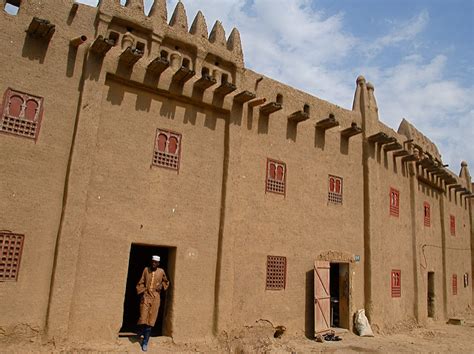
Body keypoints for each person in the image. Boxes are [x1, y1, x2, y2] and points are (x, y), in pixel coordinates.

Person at [136, 255, 170, 352]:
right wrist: (142, 292)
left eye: (156, 262)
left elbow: (166, 282)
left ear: (158, 264)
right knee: (143, 317)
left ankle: (145, 341)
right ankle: (141, 331)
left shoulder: (161, 271)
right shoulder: (146, 270)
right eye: (152, 262)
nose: (154, 264)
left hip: (156, 298)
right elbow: (141, 282)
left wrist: (162, 286)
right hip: (146, 296)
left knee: (151, 320)